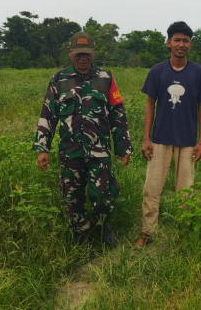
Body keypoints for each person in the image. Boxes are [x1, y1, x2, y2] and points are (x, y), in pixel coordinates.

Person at [33, 31, 132, 247]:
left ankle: (103, 228)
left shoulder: (106, 78)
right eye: (78, 54)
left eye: (87, 54)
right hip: (70, 152)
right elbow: (48, 114)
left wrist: (123, 147)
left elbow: (117, 113)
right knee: (72, 197)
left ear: (94, 53)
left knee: (103, 195)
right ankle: (81, 235)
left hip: (100, 152)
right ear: (70, 53)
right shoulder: (59, 79)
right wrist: (43, 147)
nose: (83, 58)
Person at [134, 21, 201, 247]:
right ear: (168, 43)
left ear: (190, 44)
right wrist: (146, 138)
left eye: (185, 41)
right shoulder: (157, 71)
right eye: (176, 40)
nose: (181, 44)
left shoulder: (198, 72)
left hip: (187, 141)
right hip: (159, 139)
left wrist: (200, 141)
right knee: (151, 188)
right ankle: (147, 232)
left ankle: (183, 231)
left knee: (186, 191)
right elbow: (150, 104)